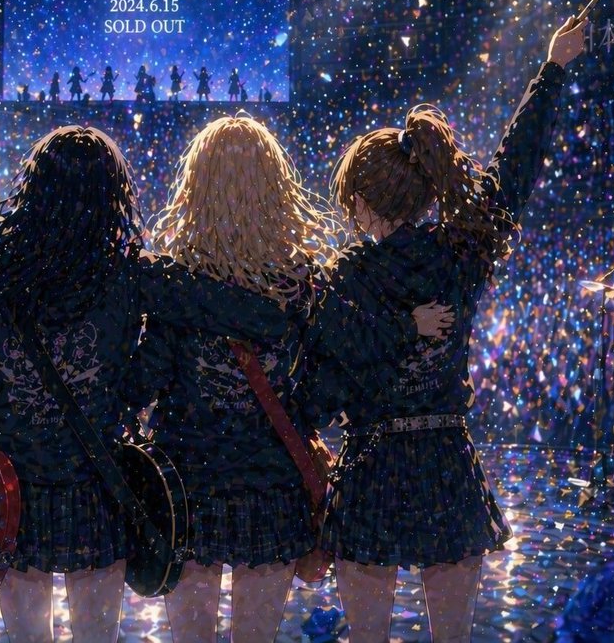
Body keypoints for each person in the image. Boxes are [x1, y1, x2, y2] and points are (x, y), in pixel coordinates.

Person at [316, 16, 585, 642]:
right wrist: (551, 71)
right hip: (445, 462)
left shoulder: (347, 276)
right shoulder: (458, 254)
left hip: (372, 466)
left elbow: (334, 369)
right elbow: (513, 172)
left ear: (363, 203)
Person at [0, 126, 290, 643]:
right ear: (112, 196)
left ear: (35, 189)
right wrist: (122, 398)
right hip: (97, 479)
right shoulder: (129, 274)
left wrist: (1, 421)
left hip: (15, 488)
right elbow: (254, 317)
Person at [141, 116, 450, 642]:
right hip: (272, 485)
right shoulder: (301, 282)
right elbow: (338, 368)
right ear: (274, 186)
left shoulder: (176, 282)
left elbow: (148, 377)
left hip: (188, 485)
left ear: (198, 186)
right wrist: (298, 415)